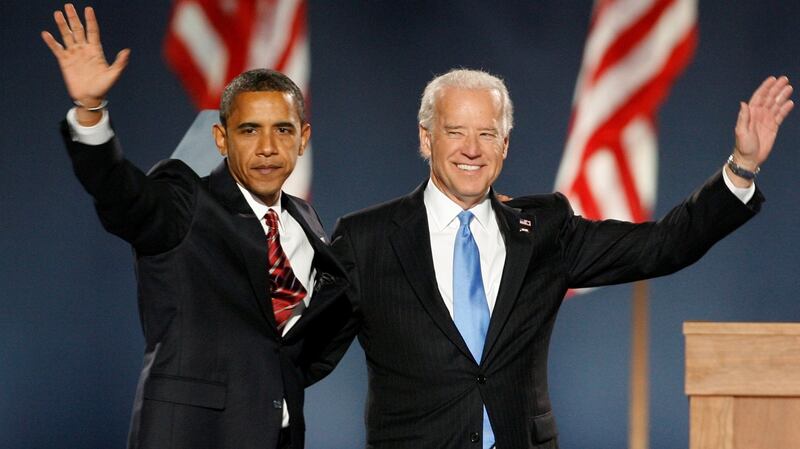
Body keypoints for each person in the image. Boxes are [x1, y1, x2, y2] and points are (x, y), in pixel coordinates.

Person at [319, 69, 793, 448]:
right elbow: (306, 350)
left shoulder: (544, 230)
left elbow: (663, 245)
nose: (471, 149)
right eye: (455, 132)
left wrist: (741, 167)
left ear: (504, 145)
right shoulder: (367, 238)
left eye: (487, 133)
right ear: (426, 140)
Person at [42, 4, 348, 449]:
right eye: (248, 130)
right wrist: (90, 110)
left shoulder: (305, 221)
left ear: (302, 137)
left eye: (282, 130)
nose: (267, 147)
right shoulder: (185, 199)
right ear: (221, 139)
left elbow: (299, 342)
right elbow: (123, 196)